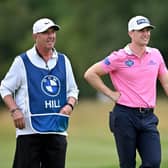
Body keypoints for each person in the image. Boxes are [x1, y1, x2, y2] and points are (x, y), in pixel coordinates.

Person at [84, 15, 168, 168]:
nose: (146, 34)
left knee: (153, 162)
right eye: (141, 30)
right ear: (131, 33)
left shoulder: (156, 55)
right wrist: (110, 94)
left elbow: (166, 82)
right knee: (127, 164)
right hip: (124, 117)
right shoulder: (119, 57)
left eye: (148, 30)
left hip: (148, 117)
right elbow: (90, 74)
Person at [0, 17, 79, 168]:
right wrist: (14, 110)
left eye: (53, 32)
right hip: (29, 132)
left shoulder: (63, 60)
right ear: (35, 36)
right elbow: (5, 88)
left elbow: (73, 89)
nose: (51, 36)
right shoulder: (22, 61)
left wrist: (70, 105)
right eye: (45, 33)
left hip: (57, 129)